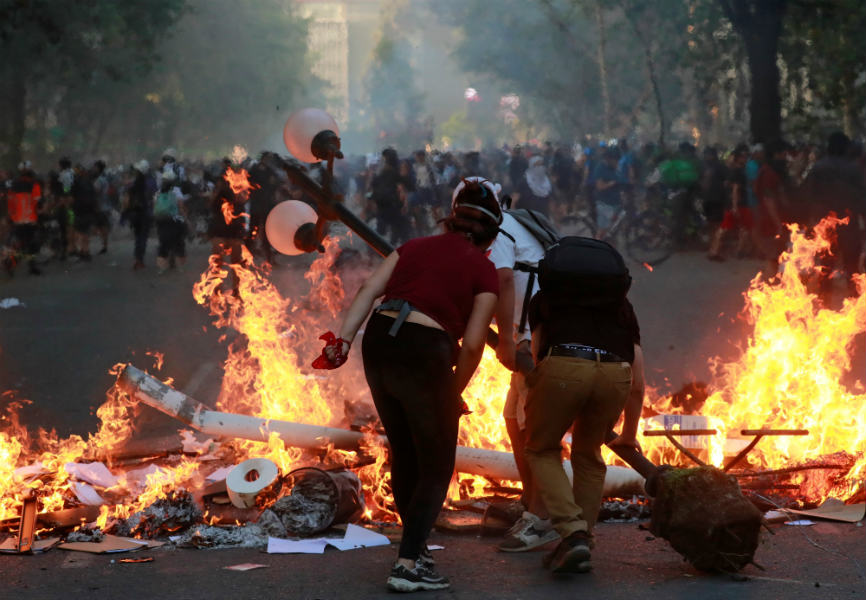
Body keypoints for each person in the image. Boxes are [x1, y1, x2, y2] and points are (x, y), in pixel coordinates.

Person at [318, 178, 500, 592]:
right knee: (437, 463)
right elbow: (472, 343)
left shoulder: (413, 247)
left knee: (404, 448)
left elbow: (368, 291)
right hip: (426, 348)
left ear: (449, 222)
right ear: (491, 236)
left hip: (380, 340)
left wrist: (343, 340)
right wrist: (455, 391)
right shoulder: (485, 270)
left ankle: (413, 547)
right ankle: (407, 565)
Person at [523, 237, 645, 574]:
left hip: (564, 366)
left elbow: (536, 354)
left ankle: (572, 532)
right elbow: (638, 381)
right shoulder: (623, 308)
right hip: (615, 374)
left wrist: (542, 388)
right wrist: (629, 435)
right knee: (589, 456)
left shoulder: (543, 300)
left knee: (542, 449)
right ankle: (582, 540)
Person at [486, 182, 558, 552]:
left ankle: (543, 518)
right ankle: (530, 503)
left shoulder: (498, 233)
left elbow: (506, 282)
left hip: (534, 339)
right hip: (525, 336)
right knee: (513, 420)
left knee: (535, 433)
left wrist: (511, 340)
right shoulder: (509, 226)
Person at [708, 144, 750, 261]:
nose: (746, 159)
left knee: (727, 228)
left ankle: (715, 251)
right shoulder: (738, 172)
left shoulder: (733, 171)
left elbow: (728, 185)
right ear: (738, 158)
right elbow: (735, 189)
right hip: (737, 204)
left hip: (732, 203)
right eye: (744, 157)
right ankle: (738, 252)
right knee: (742, 228)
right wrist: (735, 206)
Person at [5, 161, 43, 275]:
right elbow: (37, 202)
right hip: (30, 219)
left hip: (17, 219)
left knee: (19, 242)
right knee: (31, 242)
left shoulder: (14, 184)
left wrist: (10, 216)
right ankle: (31, 266)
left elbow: (10, 201)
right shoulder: (34, 184)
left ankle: (10, 263)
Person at [153, 170, 187, 274]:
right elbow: (181, 207)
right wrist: (186, 219)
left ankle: (162, 268)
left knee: (163, 244)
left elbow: (155, 206)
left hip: (161, 221)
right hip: (174, 221)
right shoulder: (176, 192)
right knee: (178, 244)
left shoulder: (158, 192)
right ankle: (179, 267)